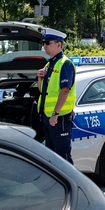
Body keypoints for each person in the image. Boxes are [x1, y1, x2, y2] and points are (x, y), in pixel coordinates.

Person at [37, 30, 76, 162]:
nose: (45, 46)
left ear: (59, 44)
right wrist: (39, 78)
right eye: (43, 43)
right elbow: (42, 90)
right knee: (52, 158)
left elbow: (65, 90)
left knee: (63, 157)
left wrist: (55, 113)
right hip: (49, 117)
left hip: (60, 118)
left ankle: (71, 183)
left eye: (47, 43)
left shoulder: (65, 63)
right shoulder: (49, 64)